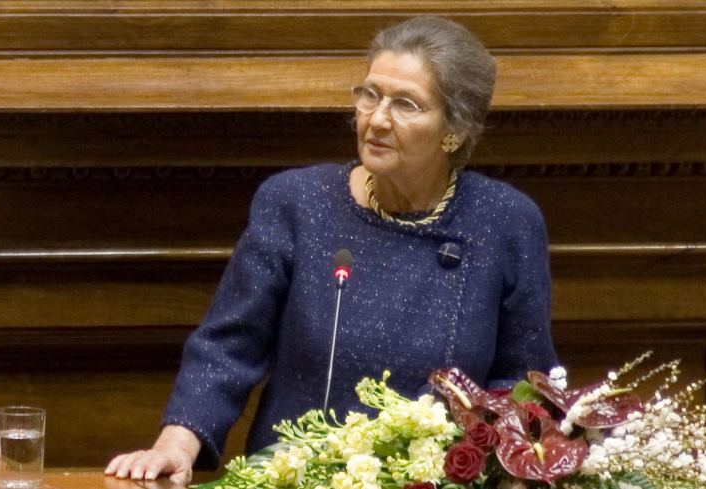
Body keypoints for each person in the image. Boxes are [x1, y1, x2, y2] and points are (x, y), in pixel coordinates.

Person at [105, 16, 557, 485]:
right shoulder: (297, 203)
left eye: (406, 104)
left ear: (454, 130)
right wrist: (176, 444)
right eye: (370, 95)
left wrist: (492, 454)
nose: (377, 119)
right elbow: (229, 345)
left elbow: (522, 380)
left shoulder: (505, 221)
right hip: (295, 477)